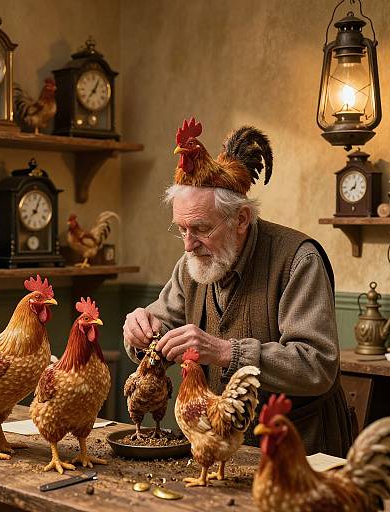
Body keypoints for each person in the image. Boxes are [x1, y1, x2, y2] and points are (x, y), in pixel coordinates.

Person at [123, 120, 352, 457]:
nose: (188, 245)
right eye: (181, 229)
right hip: (222, 450)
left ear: (242, 219)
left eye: (200, 229)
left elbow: (316, 366)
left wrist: (227, 352)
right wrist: (139, 333)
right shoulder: (192, 264)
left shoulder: (298, 260)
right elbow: (159, 328)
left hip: (300, 450)